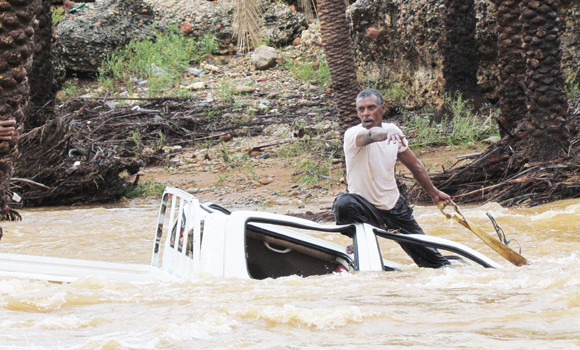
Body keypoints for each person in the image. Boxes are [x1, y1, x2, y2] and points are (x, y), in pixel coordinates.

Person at [332, 88, 451, 268]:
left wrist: (433, 193)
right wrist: (386, 134)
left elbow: (415, 166)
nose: (366, 113)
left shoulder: (393, 131)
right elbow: (371, 135)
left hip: (394, 207)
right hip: (364, 208)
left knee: (436, 263)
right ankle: (361, 238)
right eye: (361, 109)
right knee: (343, 204)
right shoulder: (353, 134)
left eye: (371, 108)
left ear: (382, 108)